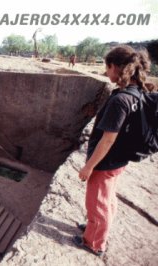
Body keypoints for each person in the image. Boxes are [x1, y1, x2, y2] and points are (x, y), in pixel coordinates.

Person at [72, 45, 151, 256]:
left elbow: (107, 140)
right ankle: (95, 226)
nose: (106, 73)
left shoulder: (120, 100)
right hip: (117, 161)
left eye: (107, 68)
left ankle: (94, 242)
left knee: (97, 202)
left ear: (115, 67)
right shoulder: (136, 93)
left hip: (105, 162)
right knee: (107, 199)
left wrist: (88, 167)